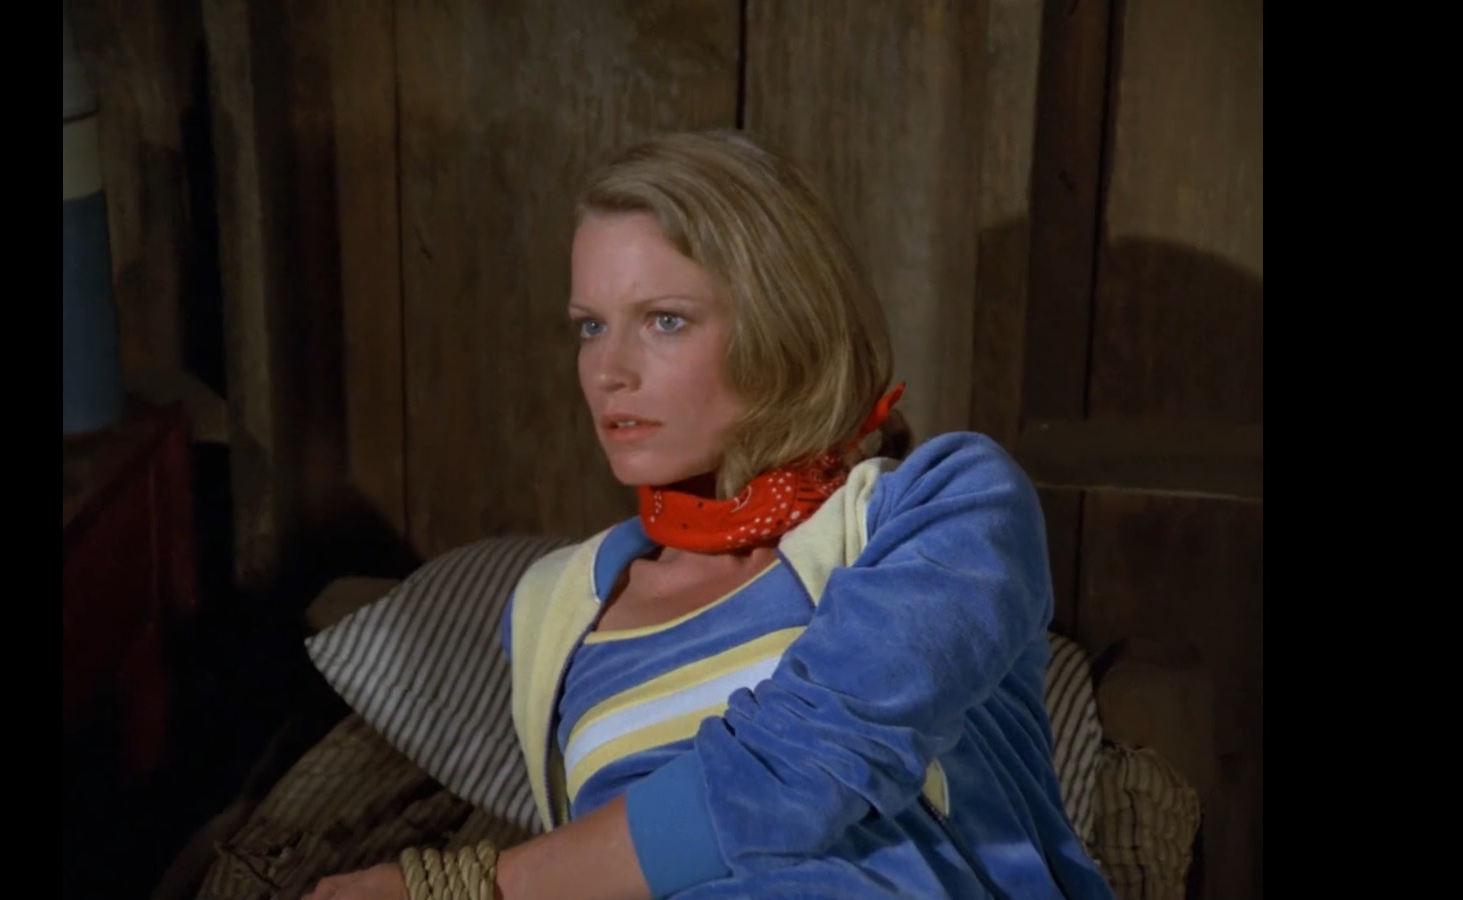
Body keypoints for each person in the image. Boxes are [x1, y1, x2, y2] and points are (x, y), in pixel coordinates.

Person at [305, 130, 1115, 899]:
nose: (609, 371)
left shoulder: (950, 506)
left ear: (782, 324)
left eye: (665, 320)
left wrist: (469, 887)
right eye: (591, 326)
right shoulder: (552, 608)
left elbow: (805, 769)